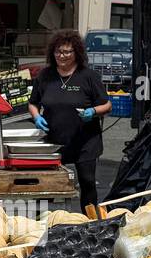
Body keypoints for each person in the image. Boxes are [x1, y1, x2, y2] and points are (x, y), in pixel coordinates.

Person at [29, 29, 111, 213]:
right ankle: (44, 223)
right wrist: (37, 117)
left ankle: (90, 222)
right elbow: (33, 103)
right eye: (58, 51)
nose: (62, 55)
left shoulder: (88, 76)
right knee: (48, 184)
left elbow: (107, 105)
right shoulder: (45, 76)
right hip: (54, 141)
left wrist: (93, 111)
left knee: (87, 183)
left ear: (77, 53)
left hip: (85, 142)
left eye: (67, 52)